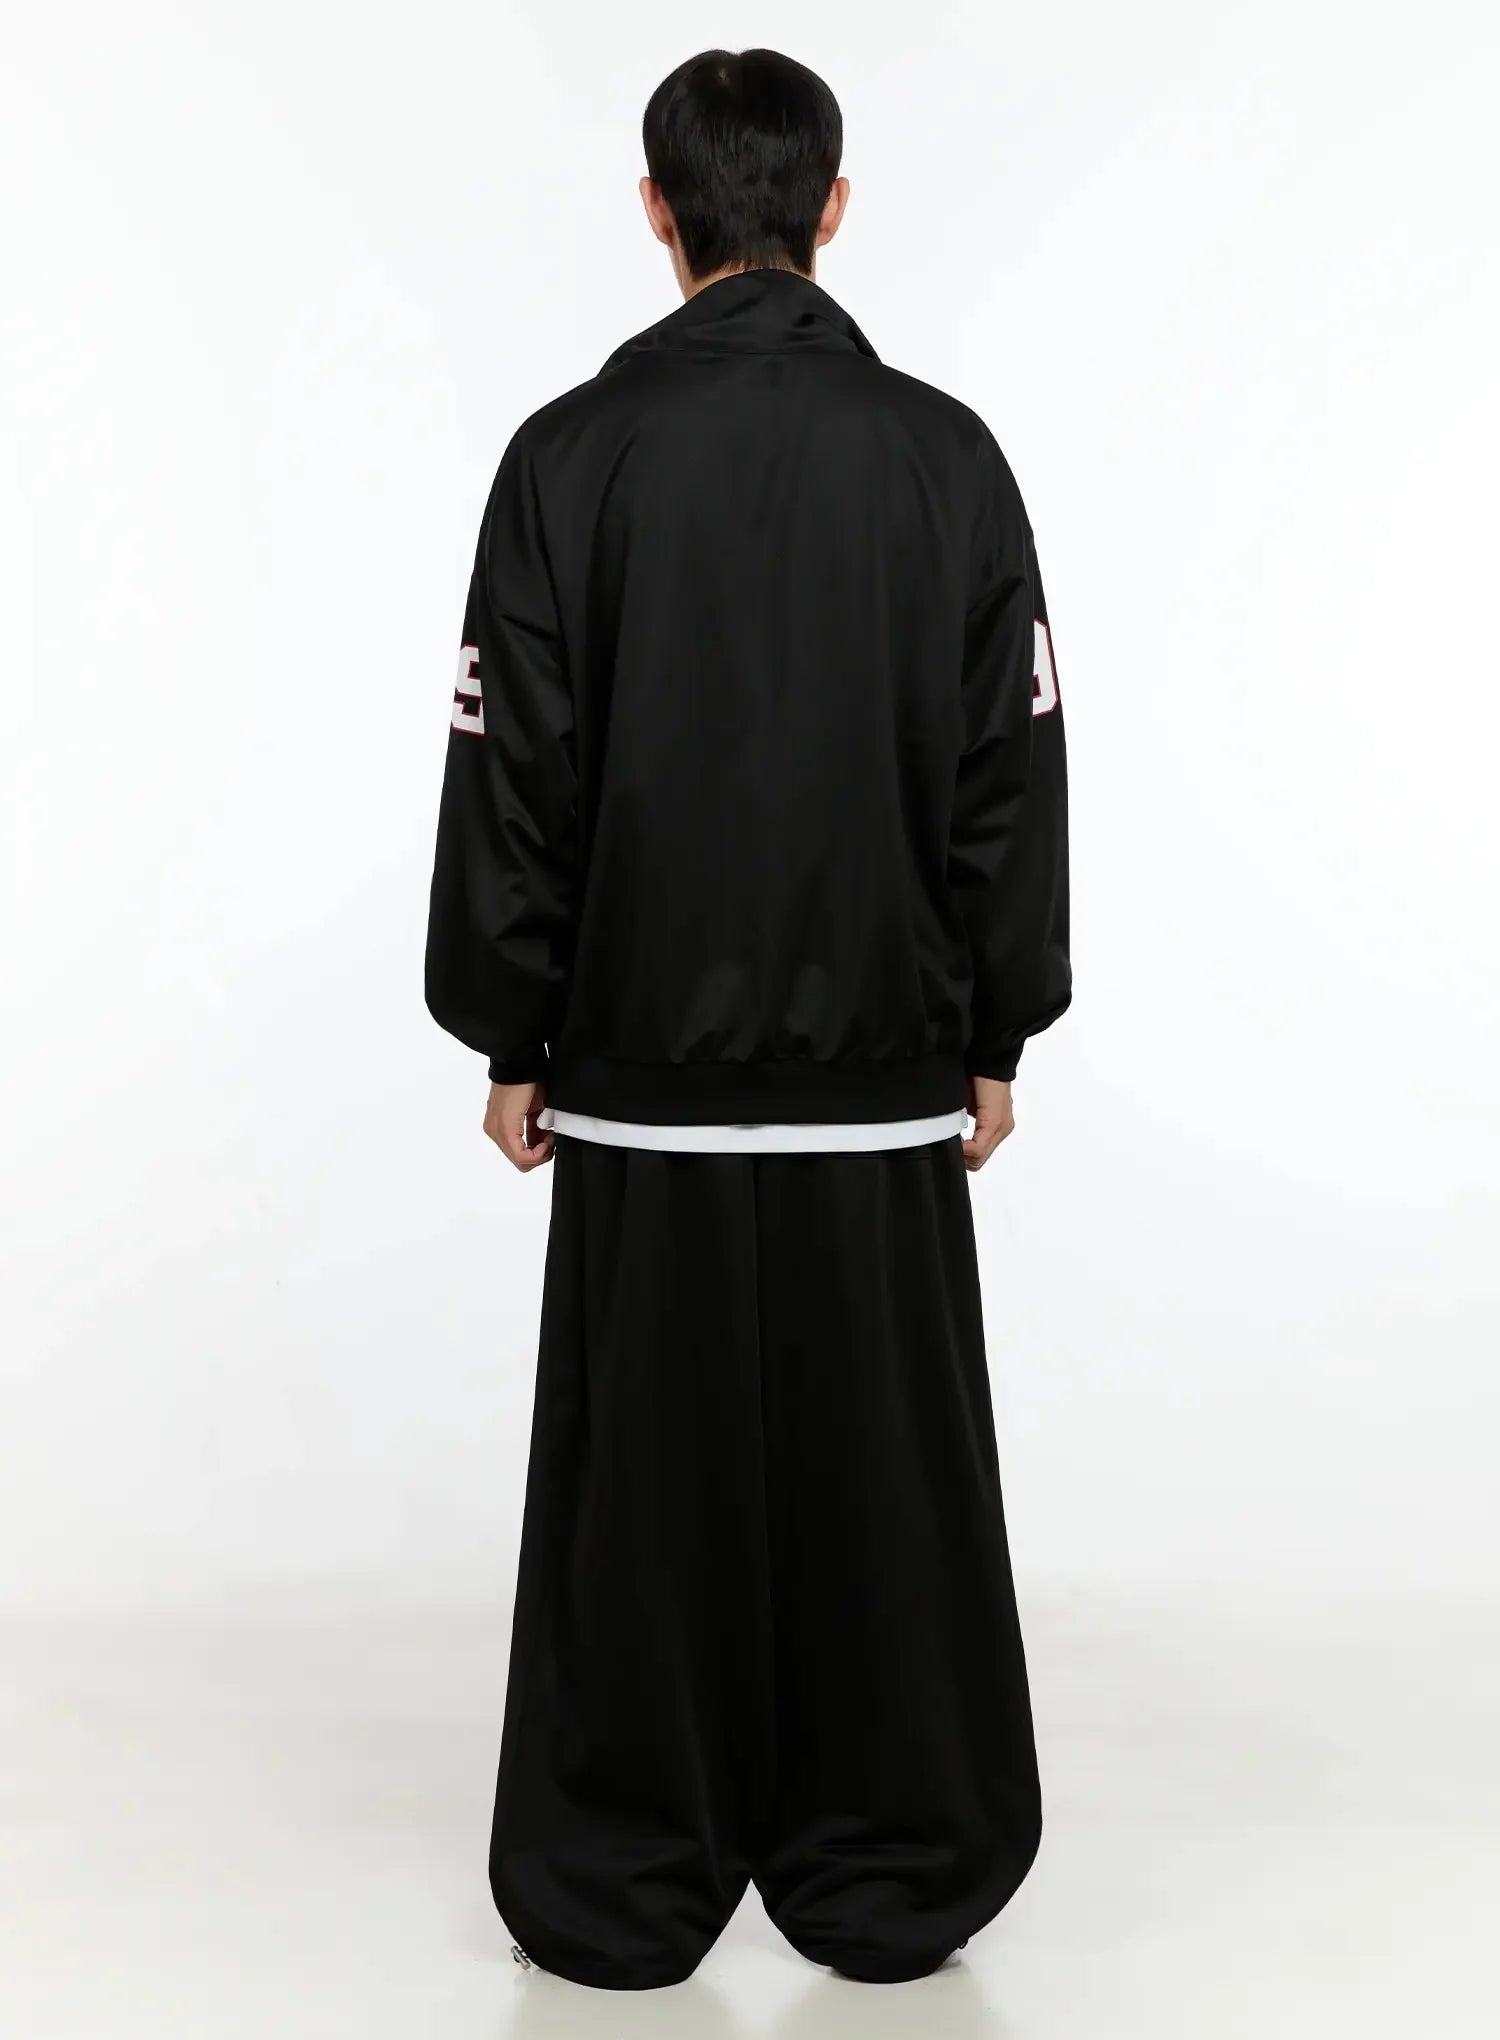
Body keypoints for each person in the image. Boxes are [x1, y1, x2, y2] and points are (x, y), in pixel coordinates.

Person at [424, 46, 1070, 1991]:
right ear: (833, 208)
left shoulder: (570, 457)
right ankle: (900, 1870)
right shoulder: (947, 457)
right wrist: (996, 1027)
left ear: (658, 211)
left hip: (641, 1081)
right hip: (883, 1079)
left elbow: (511, 766)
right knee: (890, 1499)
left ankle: (622, 1879)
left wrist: (512, 1032)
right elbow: (1013, 767)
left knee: (642, 1507)